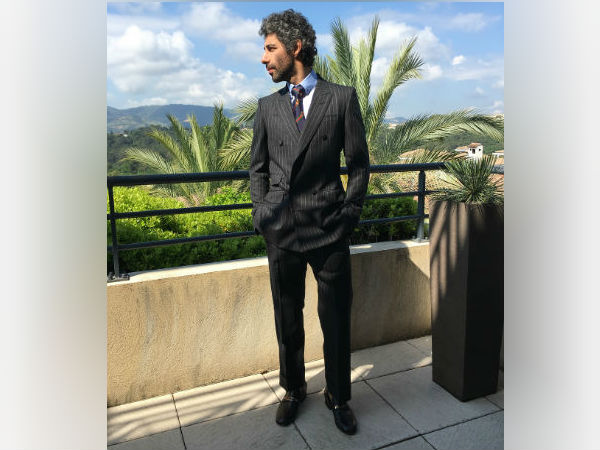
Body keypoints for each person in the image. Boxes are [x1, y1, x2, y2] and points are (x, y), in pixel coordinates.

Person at [250, 9, 369, 435]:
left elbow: (359, 165)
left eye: (270, 48)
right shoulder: (268, 107)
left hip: (329, 227)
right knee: (287, 316)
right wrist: (262, 213)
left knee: (335, 317)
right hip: (281, 230)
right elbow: (258, 169)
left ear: (295, 47)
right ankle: (293, 389)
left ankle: (338, 395)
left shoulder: (341, 98)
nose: (264, 58)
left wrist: (348, 216)